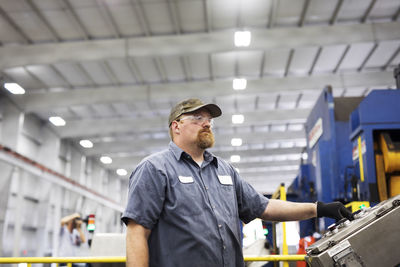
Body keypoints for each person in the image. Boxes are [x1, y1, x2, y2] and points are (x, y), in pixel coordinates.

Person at [121, 98, 353, 267]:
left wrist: (319, 208)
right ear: (176, 126)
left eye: (209, 119)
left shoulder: (224, 170)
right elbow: (137, 232)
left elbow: (264, 207)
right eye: (198, 118)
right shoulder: (154, 169)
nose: (207, 123)